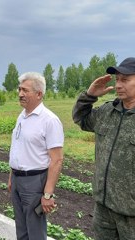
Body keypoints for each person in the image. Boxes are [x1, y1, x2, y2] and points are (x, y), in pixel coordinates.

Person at [72, 57, 135, 240]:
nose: (118, 85)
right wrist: (89, 96)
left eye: (125, 79)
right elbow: (81, 119)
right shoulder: (107, 111)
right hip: (103, 208)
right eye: (117, 80)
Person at [8, 72, 64, 240]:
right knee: (21, 226)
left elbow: (57, 159)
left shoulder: (49, 120)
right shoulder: (22, 116)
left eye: (25, 90)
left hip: (34, 182)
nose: (20, 94)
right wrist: (12, 177)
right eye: (19, 89)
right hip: (18, 180)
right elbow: (18, 148)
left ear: (39, 94)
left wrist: (47, 194)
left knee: (35, 230)